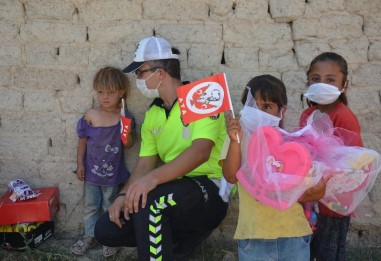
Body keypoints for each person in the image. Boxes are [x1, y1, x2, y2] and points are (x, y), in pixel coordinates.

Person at [94, 36, 228, 261]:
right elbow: (145, 163)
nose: (137, 79)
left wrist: (151, 180)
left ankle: (177, 244)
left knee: (152, 201)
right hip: (172, 188)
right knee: (106, 229)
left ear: (160, 73)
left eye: (140, 72)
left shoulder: (202, 97)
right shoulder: (153, 113)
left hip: (209, 188)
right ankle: (177, 246)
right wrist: (124, 195)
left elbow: (201, 151)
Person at [221, 75, 312, 261]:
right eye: (253, 106)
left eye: (267, 106)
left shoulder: (292, 143)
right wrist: (234, 142)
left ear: (282, 111)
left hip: (293, 232)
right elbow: (230, 176)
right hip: (254, 235)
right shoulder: (237, 139)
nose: (258, 111)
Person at [299, 52, 363, 261]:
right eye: (315, 79)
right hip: (308, 200)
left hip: (333, 204)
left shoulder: (344, 118)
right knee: (307, 249)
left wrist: (324, 186)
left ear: (345, 84)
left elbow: (354, 166)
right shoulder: (307, 115)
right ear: (308, 80)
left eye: (330, 80)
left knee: (328, 252)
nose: (321, 84)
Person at [71, 66, 135, 257]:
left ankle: (110, 239)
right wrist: (80, 164)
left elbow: (129, 144)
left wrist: (126, 130)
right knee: (91, 207)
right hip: (91, 174)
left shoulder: (123, 116)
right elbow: (82, 141)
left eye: (111, 92)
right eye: (100, 92)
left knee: (110, 207)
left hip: (113, 176)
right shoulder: (91, 115)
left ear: (121, 92)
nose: (105, 97)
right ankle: (90, 236)